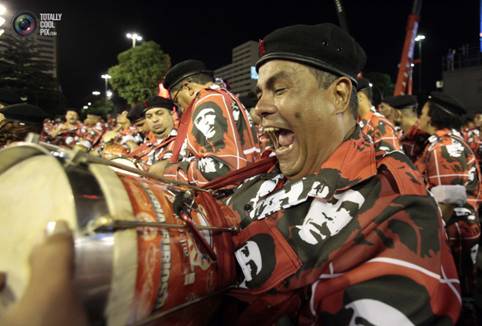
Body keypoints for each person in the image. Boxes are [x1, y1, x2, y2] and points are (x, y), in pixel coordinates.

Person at [218, 23, 460, 325]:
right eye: (261, 92)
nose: (259, 109)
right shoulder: (265, 175)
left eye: (279, 89)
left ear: (340, 95)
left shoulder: (392, 205)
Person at [415, 91, 480, 323]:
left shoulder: (443, 147)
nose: (418, 117)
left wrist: (431, 235)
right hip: (459, 230)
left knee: (458, 297)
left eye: (422, 113)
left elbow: (449, 199)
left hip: (453, 233)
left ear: (434, 117)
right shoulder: (448, 141)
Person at [161, 59, 260, 185]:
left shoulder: (207, 101)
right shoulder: (222, 96)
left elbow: (225, 168)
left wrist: (174, 172)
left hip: (231, 196)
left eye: (177, 100)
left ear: (188, 88)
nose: (180, 108)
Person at [129, 96, 177, 171]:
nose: (154, 120)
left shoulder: (184, 141)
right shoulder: (147, 146)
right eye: (149, 116)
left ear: (172, 113)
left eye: (160, 113)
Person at [356, 78, 401, 153]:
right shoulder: (357, 122)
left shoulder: (380, 124)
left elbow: (389, 162)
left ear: (360, 97)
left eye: (347, 96)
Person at [387, 95, 430, 163]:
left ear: (397, 114)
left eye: (391, 112)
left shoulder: (420, 136)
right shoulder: (405, 134)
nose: (389, 116)